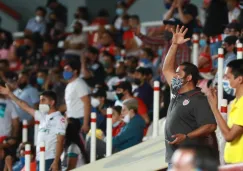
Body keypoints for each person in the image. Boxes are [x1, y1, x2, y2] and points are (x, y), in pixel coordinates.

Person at [162, 26, 217, 168]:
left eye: (179, 74)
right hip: (175, 158)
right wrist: (174, 45)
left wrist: (186, 137)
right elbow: (166, 69)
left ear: (189, 77)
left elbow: (210, 126)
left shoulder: (198, 99)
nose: (175, 76)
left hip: (190, 160)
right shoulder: (176, 91)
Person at [0, 88, 66, 171]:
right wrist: (10, 94)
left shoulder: (59, 119)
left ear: (52, 102)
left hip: (51, 159)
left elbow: (60, 141)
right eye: (40, 100)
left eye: (43, 100)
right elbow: (24, 106)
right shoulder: (42, 116)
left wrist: (56, 161)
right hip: (40, 159)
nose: (40, 103)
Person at [207, 59, 243, 164]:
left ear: (239, 79)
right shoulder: (235, 102)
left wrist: (214, 108)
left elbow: (229, 136)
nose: (224, 80)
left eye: (227, 77)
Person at [134, 18, 190, 83]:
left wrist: (176, 79)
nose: (166, 28)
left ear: (178, 29)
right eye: (166, 26)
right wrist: (140, 35)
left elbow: (184, 67)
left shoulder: (182, 46)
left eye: (170, 26)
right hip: (165, 79)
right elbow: (151, 40)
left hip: (175, 81)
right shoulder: (166, 41)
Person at [63, 59, 90, 134]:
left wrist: (85, 124)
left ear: (75, 71)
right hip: (71, 121)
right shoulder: (69, 85)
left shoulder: (79, 84)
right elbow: (70, 104)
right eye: (64, 70)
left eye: (68, 69)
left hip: (80, 120)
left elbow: (87, 103)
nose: (65, 72)